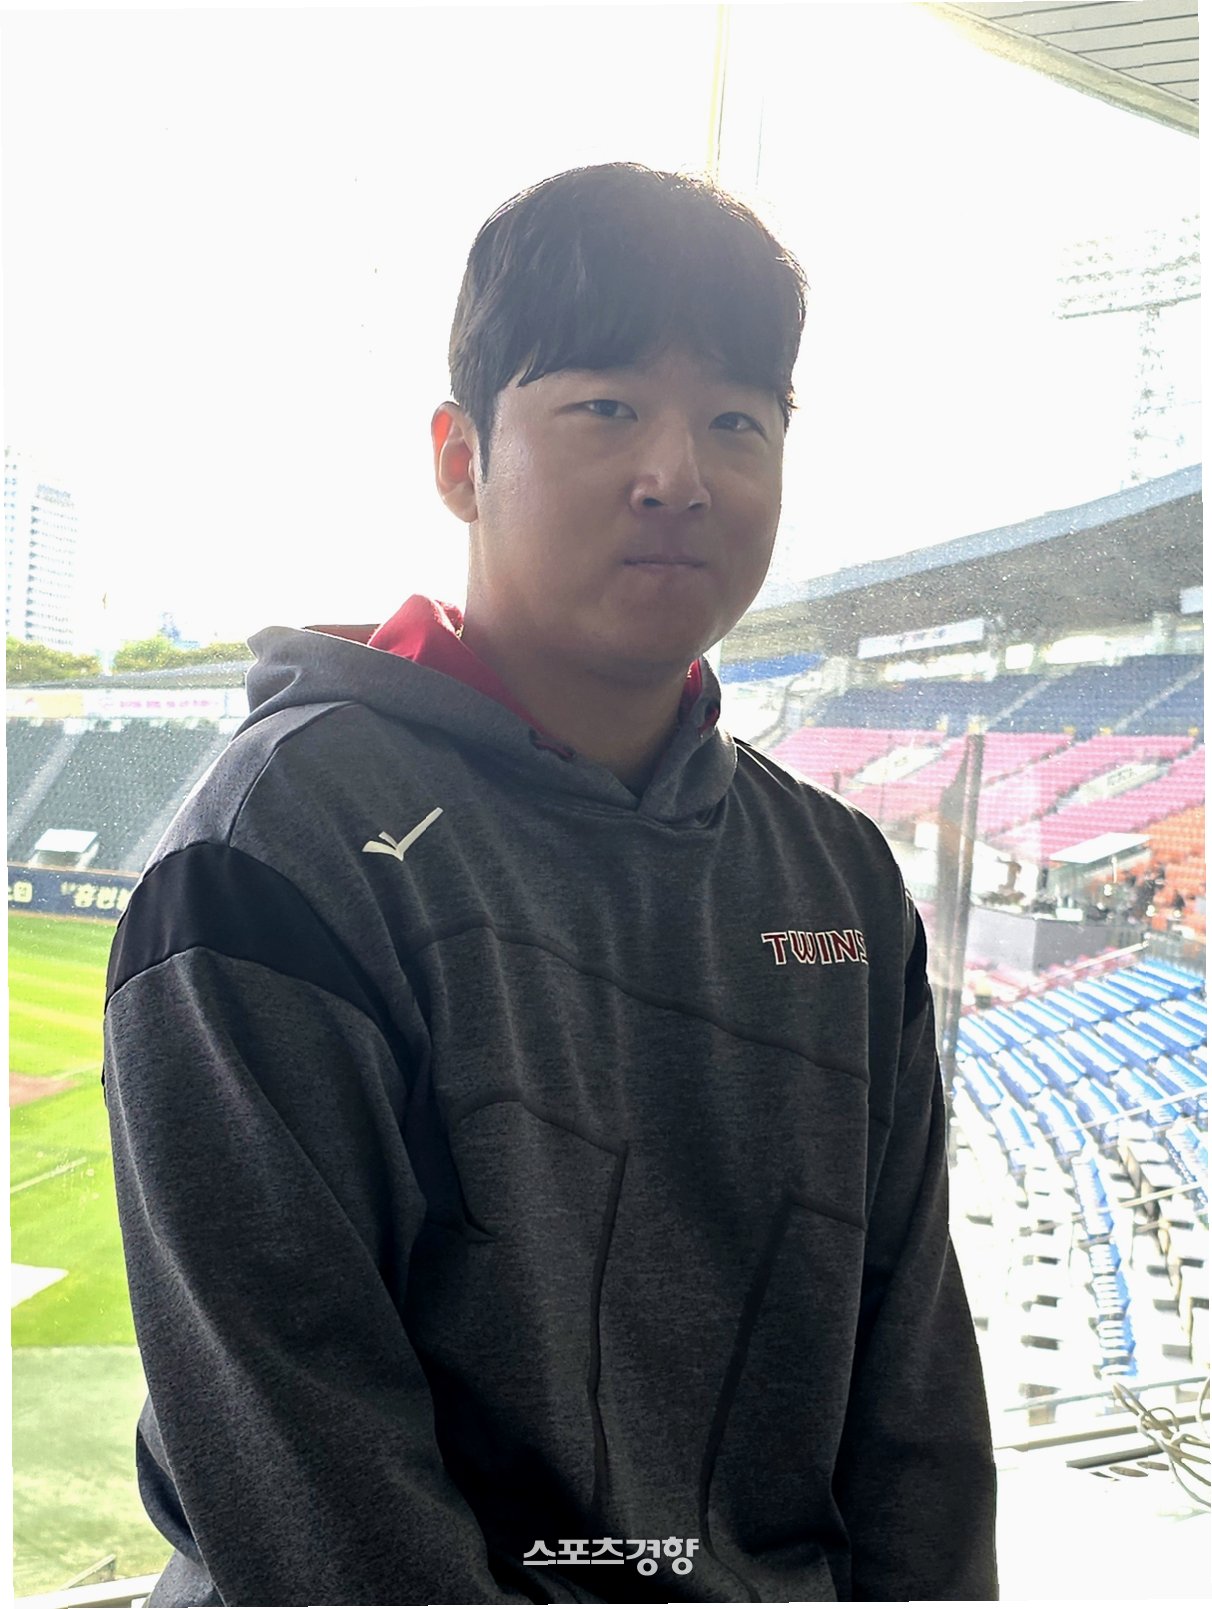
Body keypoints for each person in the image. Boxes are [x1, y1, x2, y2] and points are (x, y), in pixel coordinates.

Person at [103, 162, 998, 1606]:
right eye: (606, 407)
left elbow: (915, 1407)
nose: (678, 474)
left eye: (737, 420)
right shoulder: (279, 844)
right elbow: (302, 1458)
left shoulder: (838, 879)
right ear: (460, 458)